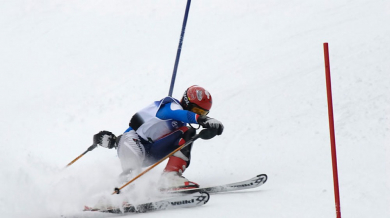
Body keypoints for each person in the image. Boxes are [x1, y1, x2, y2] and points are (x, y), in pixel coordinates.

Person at [93, 85, 224, 191]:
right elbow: (177, 113)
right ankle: (111, 194)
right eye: (196, 110)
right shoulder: (170, 106)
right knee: (132, 174)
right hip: (131, 142)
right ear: (186, 102)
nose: (197, 114)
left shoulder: (181, 126)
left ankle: (170, 177)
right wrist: (203, 119)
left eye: (203, 112)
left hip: (151, 151)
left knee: (188, 133)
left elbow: (185, 131)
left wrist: (209, 130)